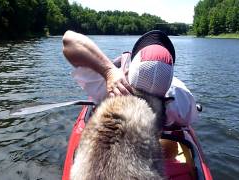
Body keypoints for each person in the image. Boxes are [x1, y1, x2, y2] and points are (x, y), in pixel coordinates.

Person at [62, 30, 198, 127]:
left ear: (129, 68)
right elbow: (189, 120)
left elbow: (68, 40)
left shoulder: (110, 86)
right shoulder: (182, 99)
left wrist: (108, 71)